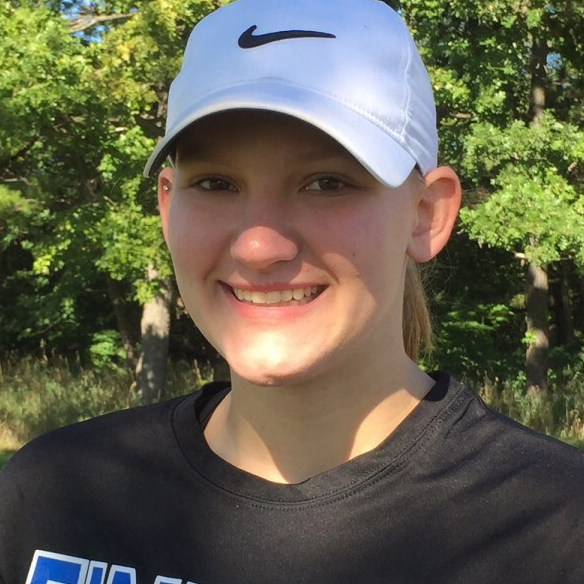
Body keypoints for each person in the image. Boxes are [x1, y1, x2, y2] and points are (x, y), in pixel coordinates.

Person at [1, 0, 584, 582]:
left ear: (426, 214)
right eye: (216, 183)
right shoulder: (54, 498)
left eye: (327, 183)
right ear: (168, 207)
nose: (259, 246)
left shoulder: (555, 530)